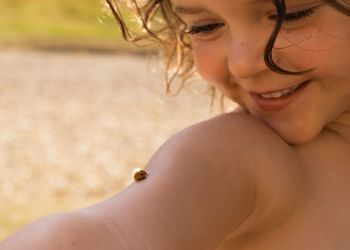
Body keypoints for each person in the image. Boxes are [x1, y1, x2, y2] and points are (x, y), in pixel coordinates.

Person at [1, 0, 350, 249]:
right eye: (205, 26)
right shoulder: (244, 156)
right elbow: (111, 234)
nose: (243, 64)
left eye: (290, 14)